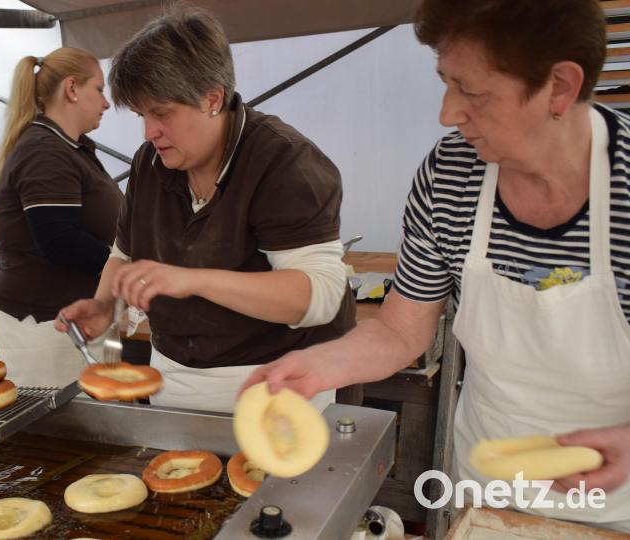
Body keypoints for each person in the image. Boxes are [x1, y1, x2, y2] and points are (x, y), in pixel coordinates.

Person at [242, 0, 630, 531]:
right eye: (445, 82)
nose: (447, 113)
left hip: (618, 502)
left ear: (559, 86)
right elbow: (403, 330)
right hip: (488, 485)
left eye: (470, 90)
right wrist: (319, 366)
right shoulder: (450, 177)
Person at [56, 6, 355, 414]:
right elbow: (124, 256)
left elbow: (317, 296)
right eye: (143, 115)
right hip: (173, 381)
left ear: (212, 98)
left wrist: (194, 280)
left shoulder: (284, 162)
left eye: (162, 114)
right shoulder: (151, 162)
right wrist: (105, 306)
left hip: (275, 387)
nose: (148, 133)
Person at [0, 48, 122, 388]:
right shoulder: (44, 151)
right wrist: (125, 270)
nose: (106, 103)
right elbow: (59, 241)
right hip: (46, 324)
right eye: (99, 89)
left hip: (78, 313)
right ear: (72, 88)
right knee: (67, 432)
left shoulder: (70, 147)